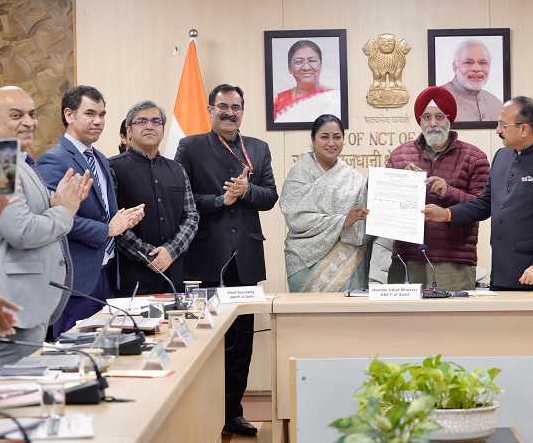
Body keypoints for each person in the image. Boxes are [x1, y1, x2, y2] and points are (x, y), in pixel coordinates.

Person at [174, 83, 278, 436]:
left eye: (236, 107)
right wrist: (221, 201)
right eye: (223, 106)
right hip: (205, 261)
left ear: (242, 112)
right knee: (205, 342)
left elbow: (270, 196)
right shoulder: (189, 147)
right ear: (210, 109)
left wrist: (246, 191)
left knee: (241, 343)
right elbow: (183, 197)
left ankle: (232, 411)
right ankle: (201, 413)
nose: (229, 113)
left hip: (245, 261)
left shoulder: (258, 148)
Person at [423, 96, 533, 290]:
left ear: (524, 129)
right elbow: (486, 202)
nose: (497, 130)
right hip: (502, 270)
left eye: (503, 125)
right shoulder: (502, 155)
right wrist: (447, 214)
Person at [37, 85, 144, 337]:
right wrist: (107, 229)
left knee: (107, 353)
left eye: (102, 114)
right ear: (69, 115)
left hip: (109, 276)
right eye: (90, 114)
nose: (98, 121)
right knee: (76, 354)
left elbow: (106, 214)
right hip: (76, 282)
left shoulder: (101, 159)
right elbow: (56, 219)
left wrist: (124, 220)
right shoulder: (54, 159)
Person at [0, 86, 91, 365]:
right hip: (15, 310)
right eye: (16, 115)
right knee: (15, 391)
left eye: (32, 114)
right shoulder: (3, 162)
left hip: (26, 307)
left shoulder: (18, 159)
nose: (29, 122)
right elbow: (22, 231)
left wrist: (55, 205)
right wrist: (64, 210)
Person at [386, 86, 489, 291]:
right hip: (406, 258)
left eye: (439, 117)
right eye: (426, 117)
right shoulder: (399, 155)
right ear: (420, 120)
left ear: (450, 119)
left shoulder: (474, 157)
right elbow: (384, 205)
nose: (433, 123)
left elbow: (484, 206)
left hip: (453, 261)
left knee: (451, 313)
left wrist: (448, 192)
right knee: (402, 313)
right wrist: (400, 184)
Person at [110, 101, 199, 296]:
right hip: (131, 279)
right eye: (142, 121)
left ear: (163, 130)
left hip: (173, 275)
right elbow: (112, 222)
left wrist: (170, 251)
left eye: (156, 121)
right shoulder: (112, 168)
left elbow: (191, 216)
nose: (150, 126)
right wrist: (149, 256)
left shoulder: (177, 169)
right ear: (129, 131)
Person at [281, 114, 370, 292]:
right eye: (324, 137)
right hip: (305, 261)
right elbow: (295, 217)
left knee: (349, 309)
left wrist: (401, 178)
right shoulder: (299, 173)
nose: (331, 143)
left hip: (347, 258)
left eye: (337, 137)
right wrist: (342, 221)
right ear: (313, 140)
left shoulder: (351, 177)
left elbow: (369, 199)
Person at [273, 40, 340, 122]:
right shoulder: (278, 101)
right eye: (298, 62)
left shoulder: (335, 98)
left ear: (321, 65)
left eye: (312, 61)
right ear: (289, 67)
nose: (306, 67)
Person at [441, 39, 503, 122]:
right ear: (455, 67)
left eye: (483, 62)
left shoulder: (497, 104)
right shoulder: (437, 100)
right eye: (468, 62)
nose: (477, 69)